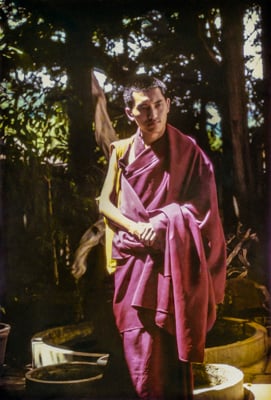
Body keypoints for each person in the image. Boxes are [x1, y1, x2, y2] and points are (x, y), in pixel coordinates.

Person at [98, 75, 226, 399]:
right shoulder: (122, 151)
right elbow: (104, 203)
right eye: (143, 108)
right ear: (130, 113)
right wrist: (135, 227)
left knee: (169, 353)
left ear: (168, 105)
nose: (152, 114)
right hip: (133, 263)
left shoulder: (188, 152)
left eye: (158, 105)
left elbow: (203, 208)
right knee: (135, 354)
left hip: (172, 266)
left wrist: (166, 221)